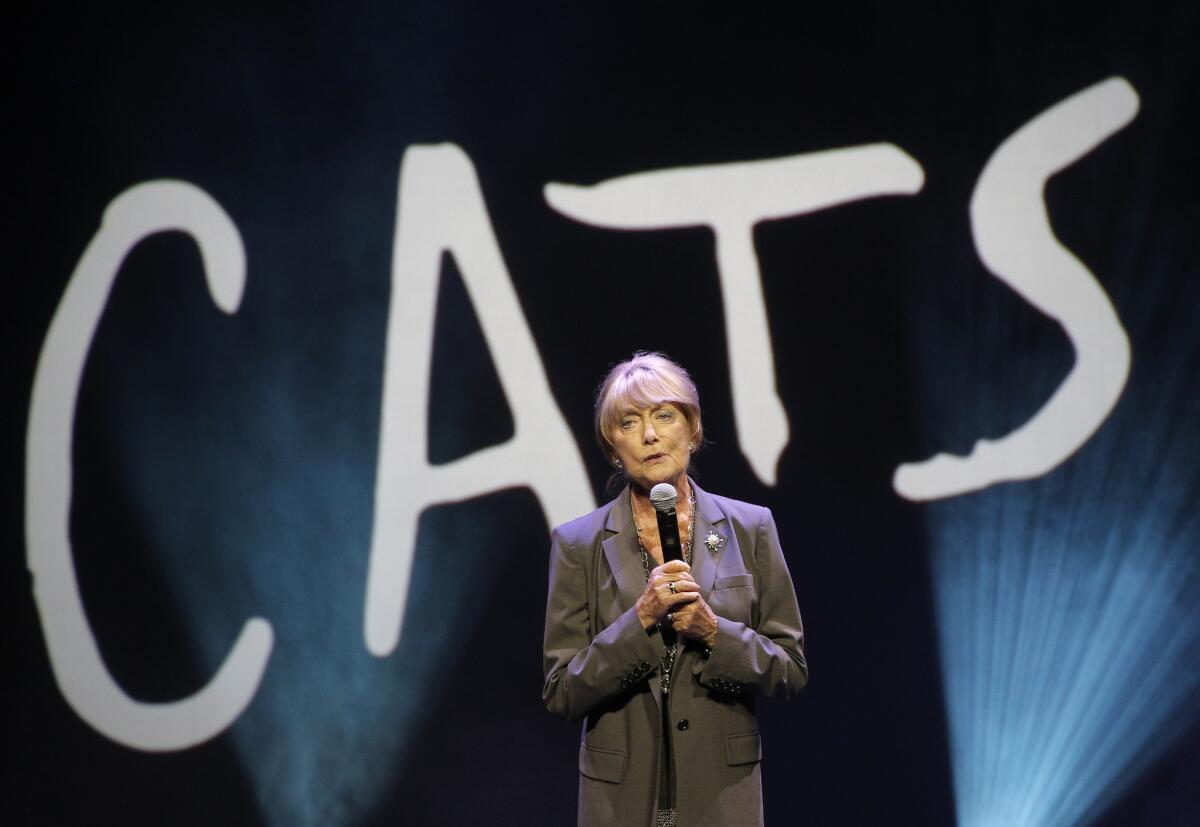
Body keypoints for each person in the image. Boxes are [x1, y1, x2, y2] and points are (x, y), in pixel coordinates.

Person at [543, 352, 808, 827]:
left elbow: (789, 670)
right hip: (621, 799)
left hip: (721, 796)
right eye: (629, 422)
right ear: (612, 448)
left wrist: (714, 632)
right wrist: (640, 620)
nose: (649, 435)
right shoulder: (577, 543)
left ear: (693, 429)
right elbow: (562, 691)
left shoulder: (751, 528)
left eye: (664, 415)